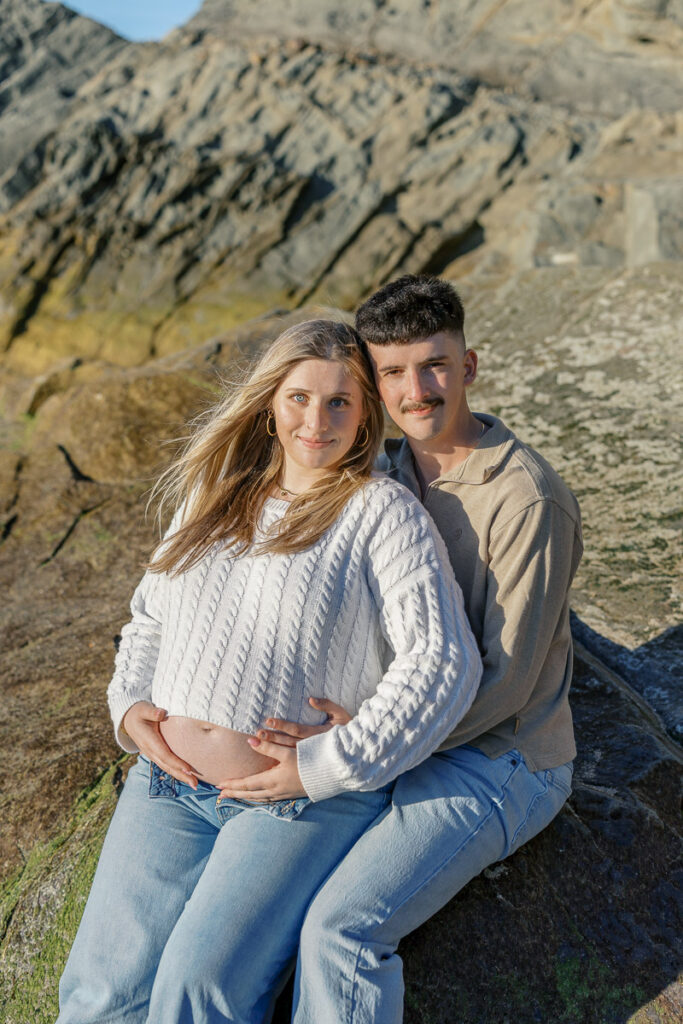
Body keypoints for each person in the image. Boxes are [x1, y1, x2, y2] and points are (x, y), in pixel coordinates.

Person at [56, 318, 483, 1024]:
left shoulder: (380, 512)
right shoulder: (214, 494)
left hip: (295, 802)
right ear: (269, 403)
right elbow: (149, 620)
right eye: (298, 398)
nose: (315, 420)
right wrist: (130, 706)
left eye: (339, 403)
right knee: (99, 996)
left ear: (365, 415)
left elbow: (443, 662)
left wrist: (333, 761)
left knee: (196, 994)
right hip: (168, 788)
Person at [248, 276, 583, 1022]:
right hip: (388, 736)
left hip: (500, 758)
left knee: (341, 929)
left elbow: (507, 684)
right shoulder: (380, 473)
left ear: (468, 366)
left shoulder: (527, 498)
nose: (416, 389)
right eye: (391, 372)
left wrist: (361, 748)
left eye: (433, 365)